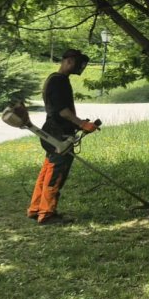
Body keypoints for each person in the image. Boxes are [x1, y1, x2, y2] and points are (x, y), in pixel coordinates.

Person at [26, 49, 99, 225]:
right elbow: (62, 111)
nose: (81, 67)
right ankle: (47, 214)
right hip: (57, 134)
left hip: (54, 131)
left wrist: (78, 124)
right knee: (56, 174)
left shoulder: (57, 79)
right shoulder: (58, 82)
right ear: (70, 61)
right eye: (79, 63)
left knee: (47, 171)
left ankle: (36, 208)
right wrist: (81, 124)